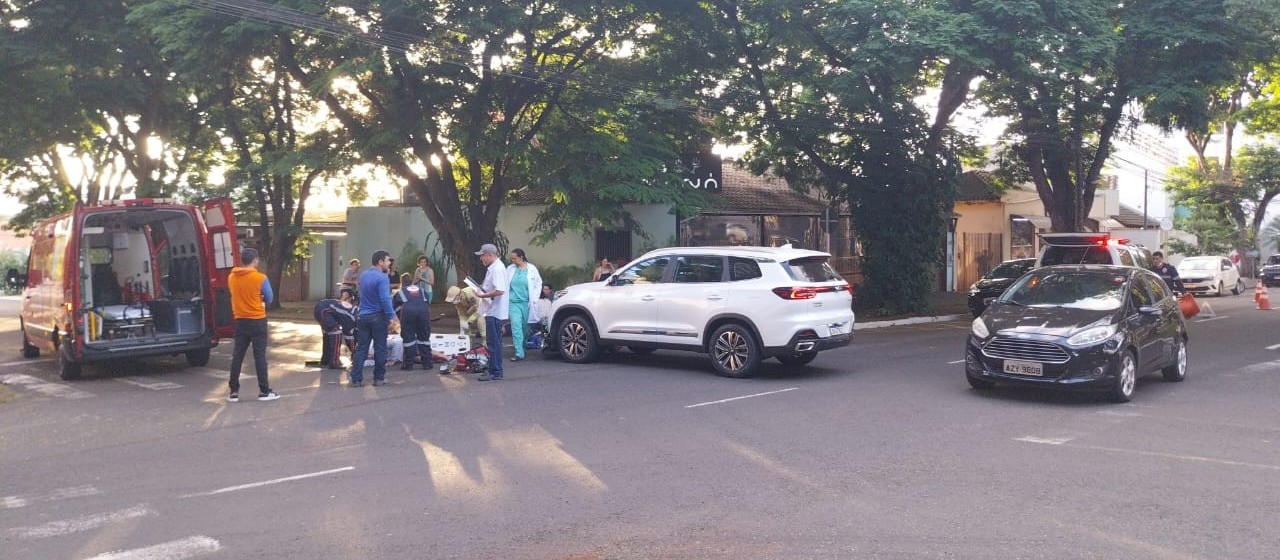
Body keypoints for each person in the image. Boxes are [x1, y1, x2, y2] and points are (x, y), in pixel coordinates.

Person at [227, 248, 279, 402]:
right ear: (255, 260)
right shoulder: (260, 278)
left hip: (240, 320)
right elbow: (269, 298)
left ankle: (233, 391)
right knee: (259, 356)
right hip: (257, 319)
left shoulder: (232, 277)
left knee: (237, 356)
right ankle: (264, 391)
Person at [349, 250, 395, 387]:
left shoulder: (363, 275)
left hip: (363, 315)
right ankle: (379, 378)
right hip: (378, 316)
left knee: (362, 348)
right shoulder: (382, 277)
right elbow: (385, 299)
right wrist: (391, 316)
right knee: (380, 348)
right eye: (387, 260)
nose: (389, 263)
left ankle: (356, 378)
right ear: (380, 262)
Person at [473, 243, 509, 381]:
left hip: (495, 311)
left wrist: (482, 295)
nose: (481, 258)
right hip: (493, 310)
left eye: (482, 255)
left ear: (490, 255)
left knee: (493, 343)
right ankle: (494, 369)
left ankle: (495, 371)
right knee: (494, 342)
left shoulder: (497, 269)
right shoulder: (494, 268)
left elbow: (499, 290)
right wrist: (483, 287)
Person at [506, 248, 543, 361]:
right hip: (513, 302)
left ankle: (521, 345)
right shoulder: (510, 269)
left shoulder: (532, 269)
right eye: (511, 258)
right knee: (516, 326)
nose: (512, 261)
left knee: (526, 328)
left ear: (521, 257)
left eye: (514, 258)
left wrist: (535, 298)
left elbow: (538, 283)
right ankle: (519, 352)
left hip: (527, 303)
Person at [313, 287, 356, 370]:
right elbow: (349, 337)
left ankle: (326, 359)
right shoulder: (351, 317)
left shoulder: (351, 310)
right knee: (336, 334)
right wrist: (355, 353)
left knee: (328, 334)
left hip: (320, 308)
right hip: (324, 311)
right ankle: (334, 362)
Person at [395, 283, 432, 370]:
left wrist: (400, 319)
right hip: (424, 312)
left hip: (408, 313)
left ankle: (409, 364)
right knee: (424, 338)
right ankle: (427, 363)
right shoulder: (422, 290)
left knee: (408, 339)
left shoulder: (400, 292)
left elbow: (394, 307)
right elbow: (427, 303)